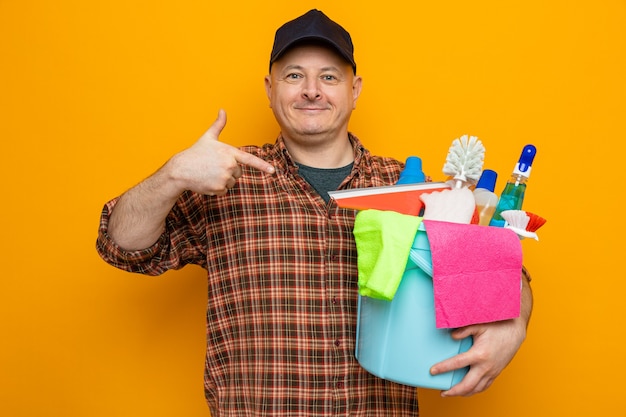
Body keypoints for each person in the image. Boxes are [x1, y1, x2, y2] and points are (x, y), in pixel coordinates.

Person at [96, 9, 533, 416]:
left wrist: (514, 324)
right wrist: (173, 175)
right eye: (293, 75)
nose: (311, 90)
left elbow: (500, 267)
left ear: (355, 90)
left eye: (328, 76)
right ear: (270, 90)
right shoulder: (223, 179)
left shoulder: (413, 189)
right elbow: (122, 245)